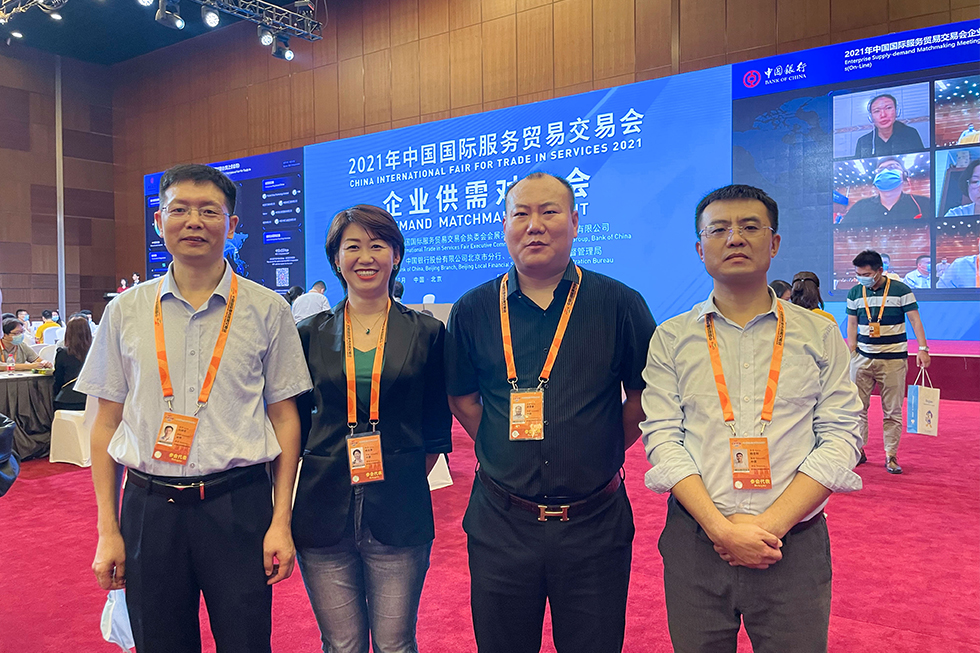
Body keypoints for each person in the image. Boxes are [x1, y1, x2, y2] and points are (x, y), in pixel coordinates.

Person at [75, 163, 312, 653]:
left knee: (247, 642)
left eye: (209, 211)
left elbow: (286, 419)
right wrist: (107, 529)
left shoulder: (268, 309)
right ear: (159, 221)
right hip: (149, 508)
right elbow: (105, 423)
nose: (194, 222)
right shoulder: (124, 311)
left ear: (232, 225)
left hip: (238, 504)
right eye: (179, 209)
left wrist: (280, 520)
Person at [642, 184, 863, 652]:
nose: (735, 238)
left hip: (793, 545)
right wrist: (721, 529)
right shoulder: (671, 338)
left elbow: (841, 436)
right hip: (696, 543)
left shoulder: (819, 335)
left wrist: (772, 526)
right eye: (719, 229)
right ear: (700, 248)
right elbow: (663, 438)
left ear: (774, 242)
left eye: (749, 227)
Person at [445, 172, 656, 653]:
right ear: (504, 225)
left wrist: (599, 443)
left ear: (575, 222)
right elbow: (463, 399)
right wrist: (503, 443)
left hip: (594, 524)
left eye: (549, 212)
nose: (534, 225)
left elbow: (643, 396)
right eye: (521, 213)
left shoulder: (620, 303)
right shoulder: (473, 309)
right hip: (501, 523)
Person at [292, 204, 452, 653]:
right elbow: (294, 425)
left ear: (396, 255)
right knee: (341, 644)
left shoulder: (427, 333)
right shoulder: (308, 334)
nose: (366, 257)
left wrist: (397, 474)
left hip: (400, 509)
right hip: (321, 508)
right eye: (353, 246)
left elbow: (435, 428)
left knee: (395, 644)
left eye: (378, 245)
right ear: (336, 258)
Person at [847, 249, 931, 474]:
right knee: (857, 408)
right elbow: (852, 323)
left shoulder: (901, 290)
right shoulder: (855, 292)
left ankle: (891, 455)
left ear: (879, 271)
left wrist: (923, 348)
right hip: (862, 359)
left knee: (892, 411)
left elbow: (915, 320)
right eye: (858, 274)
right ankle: (858, 450)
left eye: (866, 274)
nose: (862, 278)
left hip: (893, 360)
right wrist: (853, 351)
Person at [841, 157, 933, 224]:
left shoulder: (924, 203)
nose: (885, 171)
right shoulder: (860, 207)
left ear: (904, 176)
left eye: (892, 167)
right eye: (880, 169)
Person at [854, 93, 925, 158]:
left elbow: (920, 161)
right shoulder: (863, 142)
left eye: (888, 108)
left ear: (897, 111)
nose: (883, 115)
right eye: (877, 111)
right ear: (871, 117)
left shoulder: (910, 134)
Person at [53, 315, 92, 411]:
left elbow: (58, 379)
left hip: (67, 399)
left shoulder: (62, 353)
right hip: (92, 398)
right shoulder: (96, 352)